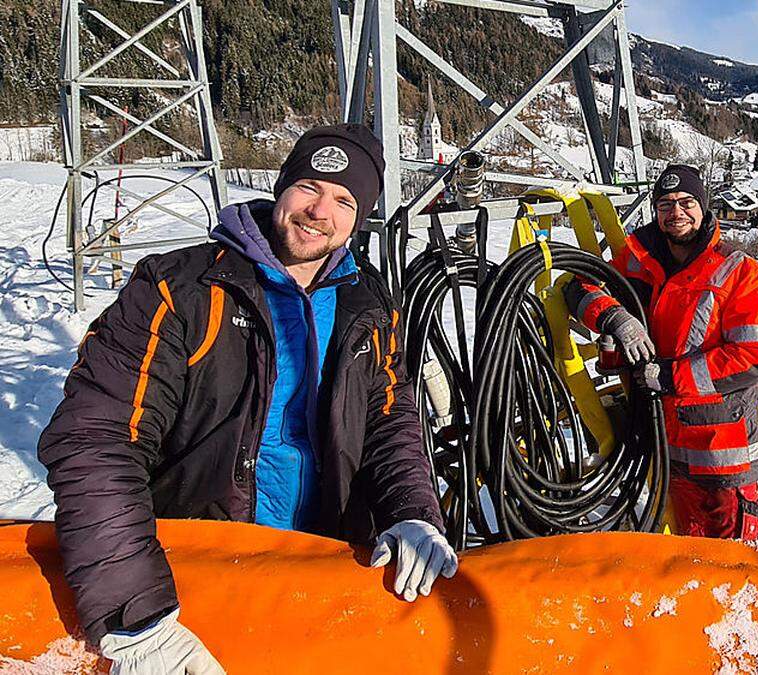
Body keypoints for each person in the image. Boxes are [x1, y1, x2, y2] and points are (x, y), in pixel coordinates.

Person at [38, 124, 454, 674]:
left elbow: (389, 425)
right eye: (309, 186)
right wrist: (135, 613)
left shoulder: (368, 303)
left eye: (344, 200)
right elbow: (97, 440)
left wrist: (414, 514)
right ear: (281, 187)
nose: (319, 211)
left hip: (324, 578)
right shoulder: (179, 290)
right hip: (192, 588)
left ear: (359, 218)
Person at [565, 164, 758, 541]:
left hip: (719, 448)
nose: (676, 213)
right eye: (665, 204)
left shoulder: (740, 272)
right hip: (662, 440)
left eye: (686, 202)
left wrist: (669, 377)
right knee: (686, 548)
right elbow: (578, 287)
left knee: (731, 556)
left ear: (704, 207)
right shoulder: (637, 260)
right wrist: (614, 317)